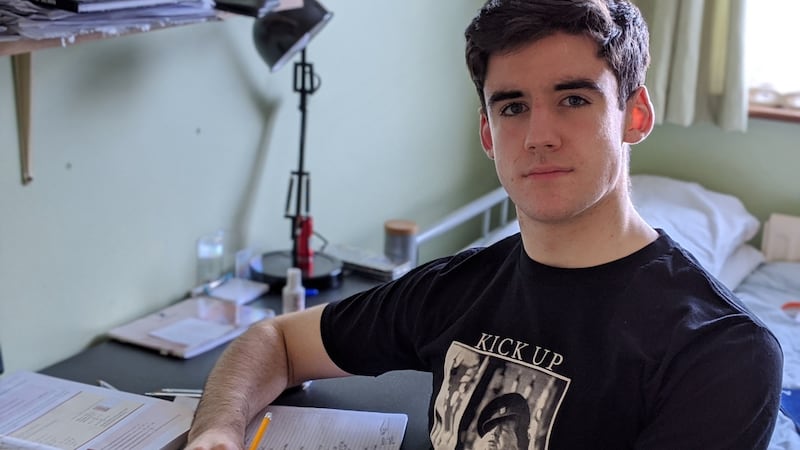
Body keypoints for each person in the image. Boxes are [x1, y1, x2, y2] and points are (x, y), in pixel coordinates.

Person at [186, 0, 783, 448]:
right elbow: (275, 341)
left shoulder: (719, 352)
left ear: (635, 115)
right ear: (487, 135)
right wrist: (218, 430)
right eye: (513, 106)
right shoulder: (456, 288)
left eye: (574, 99)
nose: (538, 136)